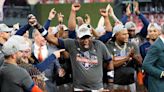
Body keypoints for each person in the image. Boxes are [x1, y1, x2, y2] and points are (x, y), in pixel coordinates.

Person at [106, 24, 142, 92]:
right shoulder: (109, 46)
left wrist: (133, 56)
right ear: (116, 35)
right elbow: (111, 64)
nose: (127, 36)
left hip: (131, 83)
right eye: (124, 34)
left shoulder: (132, 45)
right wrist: (127, 58)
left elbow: (140, 63)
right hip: (116, 83)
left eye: (127, 34)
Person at [142, 24, 164, 92]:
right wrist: (161, 73)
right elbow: (146, 65)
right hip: (158, 85)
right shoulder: (156, 46)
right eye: (150, 31)